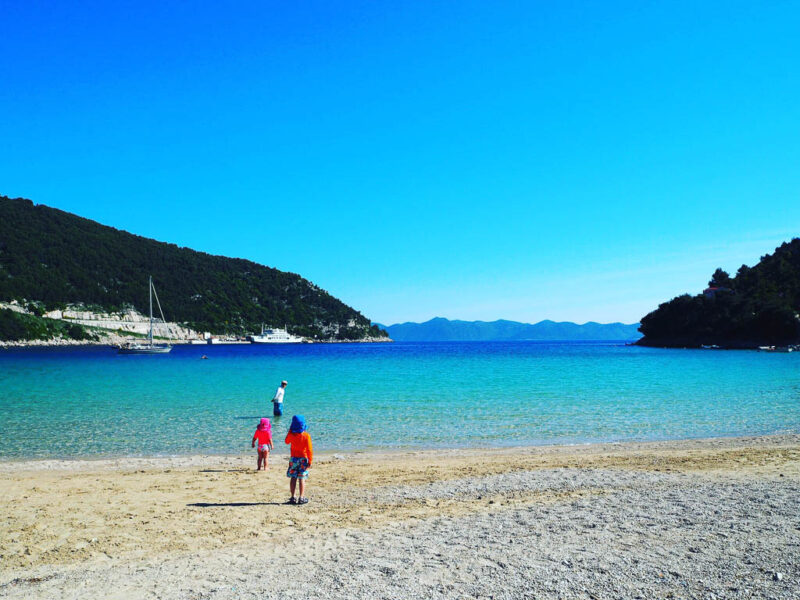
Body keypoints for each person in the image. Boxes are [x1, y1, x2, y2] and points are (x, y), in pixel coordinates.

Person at [285, 415, 313, 504]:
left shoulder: (292, 435)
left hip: (293, 459)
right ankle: (301, 497)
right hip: (303, 459)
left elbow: (286, 441)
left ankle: (293, 497)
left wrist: (290, 431)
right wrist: (310, 461)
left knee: (293, 477)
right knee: (302, 478)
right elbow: (309, 450)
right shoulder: (306, 436)